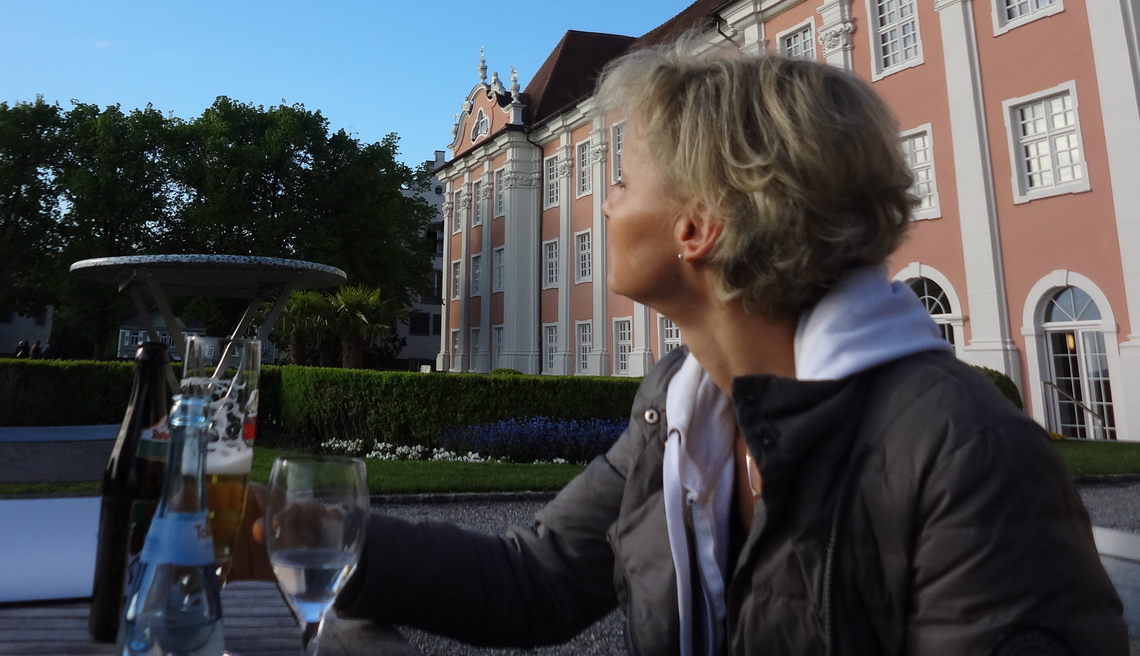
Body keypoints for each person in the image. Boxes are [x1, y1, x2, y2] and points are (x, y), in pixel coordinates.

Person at [235, 46, 1124, 654]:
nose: (607, 205)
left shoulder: (965, 455)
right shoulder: (684, 400)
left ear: (698, 228)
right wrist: (279, 529)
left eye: (623, 180)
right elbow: (535, 578)